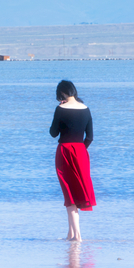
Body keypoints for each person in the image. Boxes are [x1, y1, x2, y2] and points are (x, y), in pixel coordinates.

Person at [49, 80, 96, 241]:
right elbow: (90, 137)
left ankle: (77, 236)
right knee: (77, 191)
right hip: (81, 152)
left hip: (65, 151)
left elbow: (53, 133)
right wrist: (81, 150)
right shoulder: (86, 109)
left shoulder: (60, 109)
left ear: (61, 94)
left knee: (69, 193)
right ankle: (70, 234)